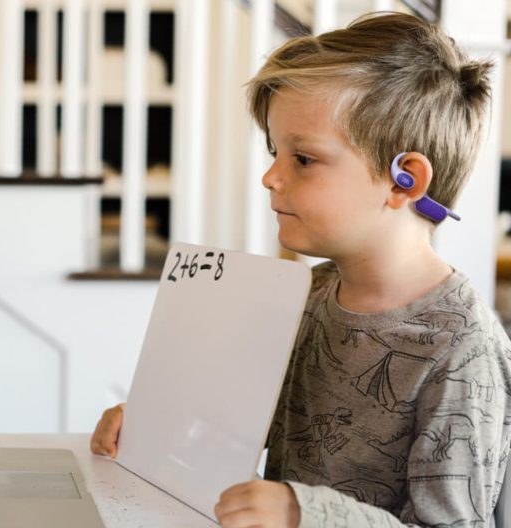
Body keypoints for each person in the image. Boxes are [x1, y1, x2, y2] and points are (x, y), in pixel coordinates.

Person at [91, 12, 511, 527]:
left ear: (405, 180)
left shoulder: (463, 348)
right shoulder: (307, 295)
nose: (270, 177)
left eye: (303, 159)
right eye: (275, 153)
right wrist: (155, 429)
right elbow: (244, 427)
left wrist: (304, 513)